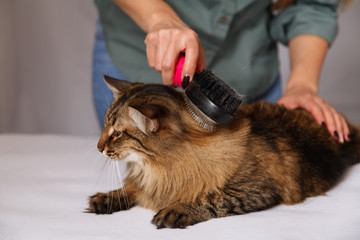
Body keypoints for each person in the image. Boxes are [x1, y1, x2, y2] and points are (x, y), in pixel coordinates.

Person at [92, 0, 350, 143]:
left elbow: (313, 5)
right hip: (134, 51)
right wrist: (158, 17)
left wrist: (301, 85)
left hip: (250, 64)